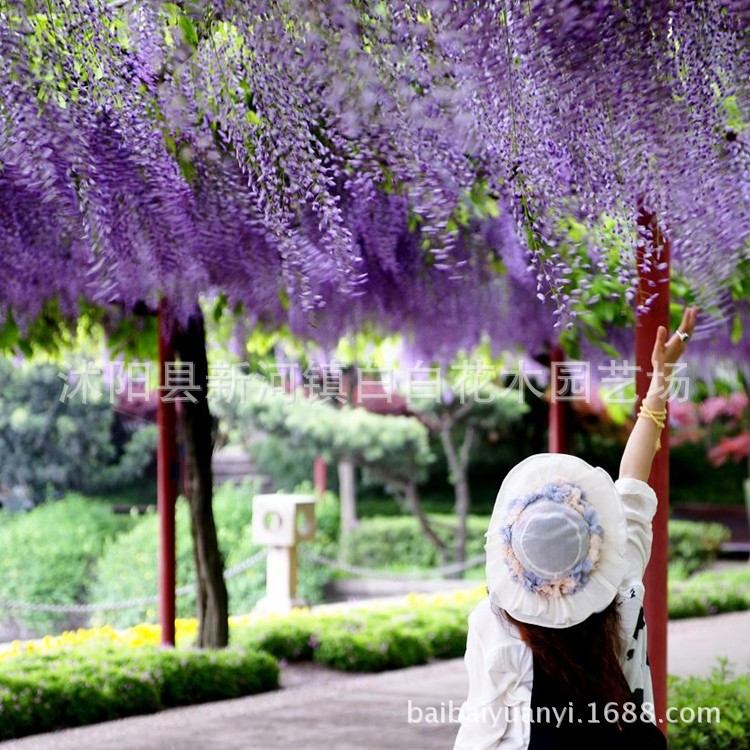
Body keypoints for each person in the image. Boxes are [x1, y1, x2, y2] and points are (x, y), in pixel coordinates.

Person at [453, 306, 698, 750]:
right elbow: (633, 479)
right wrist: (660, 382)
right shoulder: (620, 585)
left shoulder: (493, 623)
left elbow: (481, 730)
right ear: (592, 543)